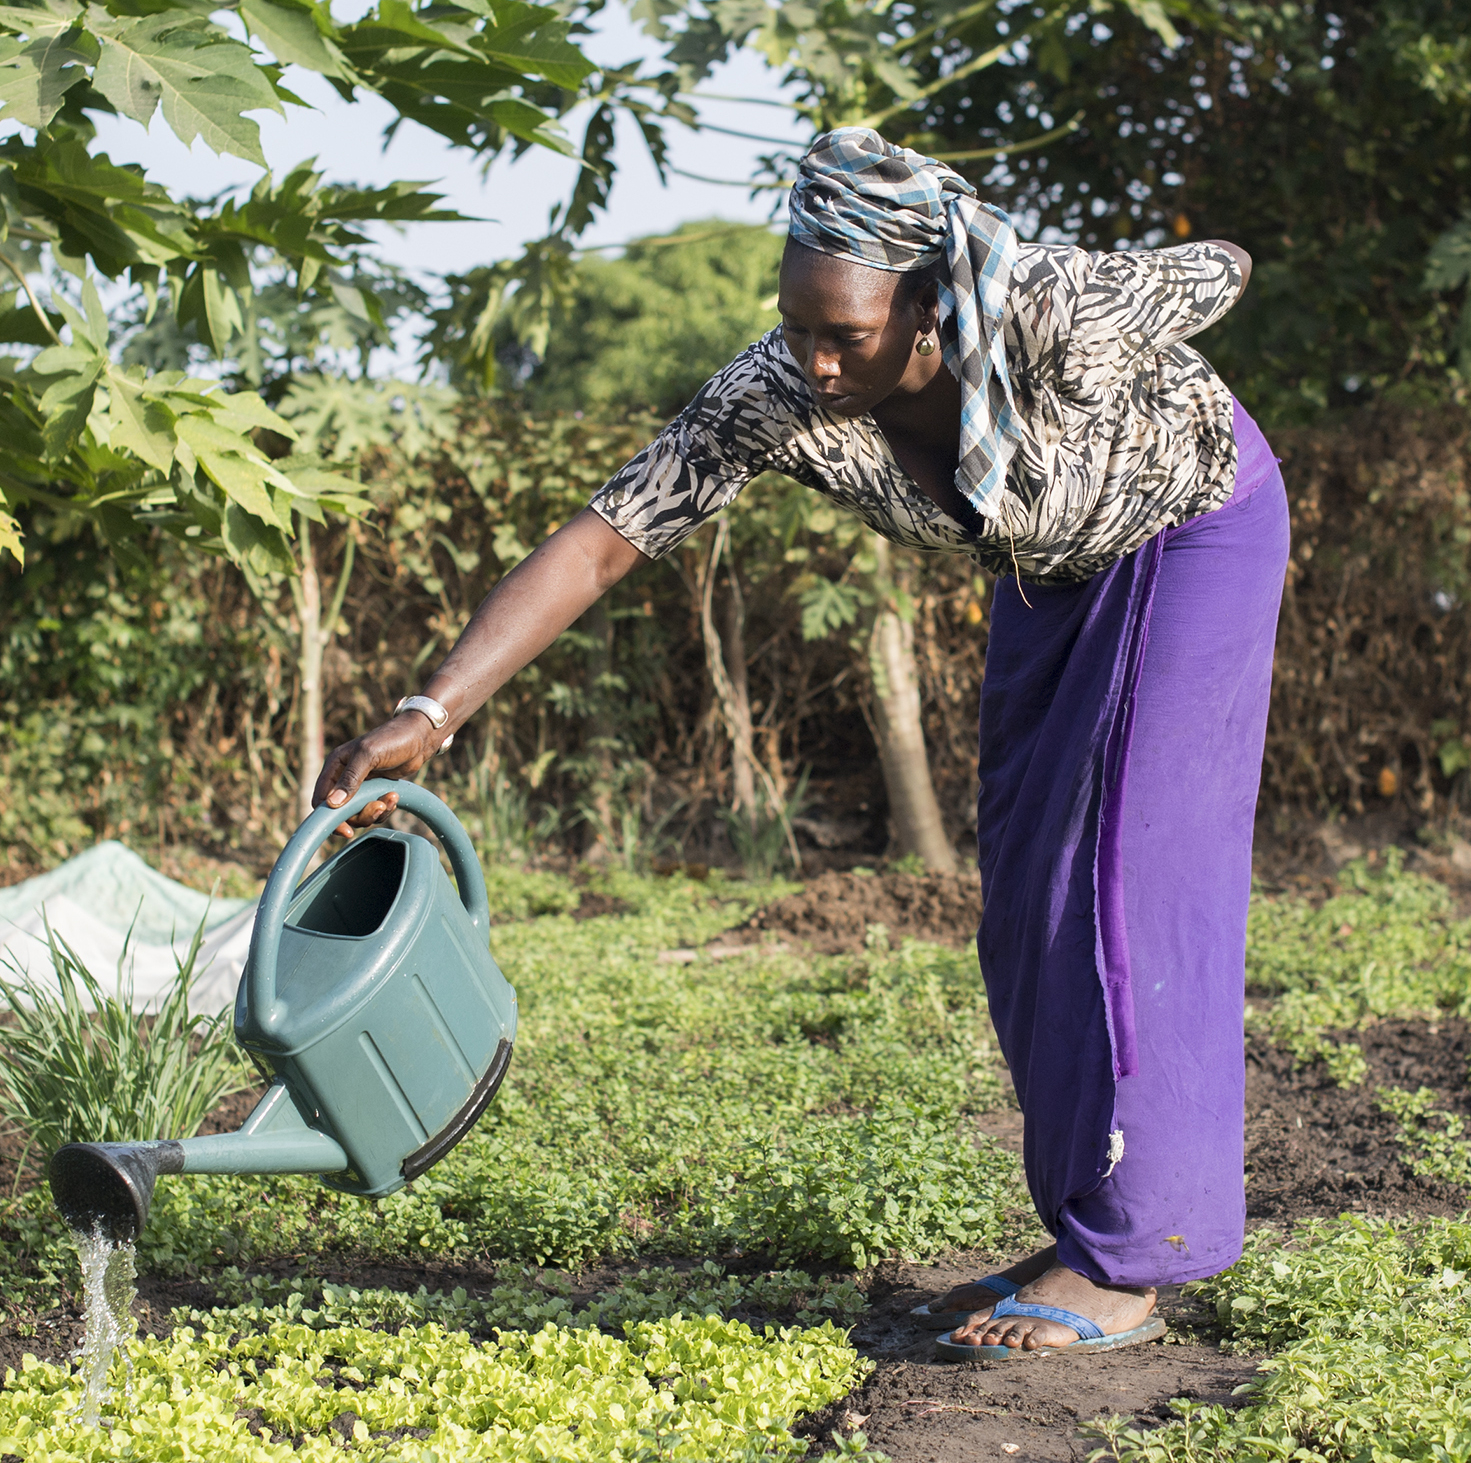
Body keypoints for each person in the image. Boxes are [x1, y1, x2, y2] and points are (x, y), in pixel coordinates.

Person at [311, 127, 1289, 1359]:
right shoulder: (777, 390)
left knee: (1120, 887)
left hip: (1190, 531)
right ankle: (1083, 1225)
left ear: (930, 311)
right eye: (799, 324)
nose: (818, 361)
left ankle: (1138, 1258)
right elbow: (608, 537)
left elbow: (1225, 270)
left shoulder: (1035, 305)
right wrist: (434, 707)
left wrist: (1120, 287)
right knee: (1025, 903)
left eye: (849, 336)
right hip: (1052, 579)